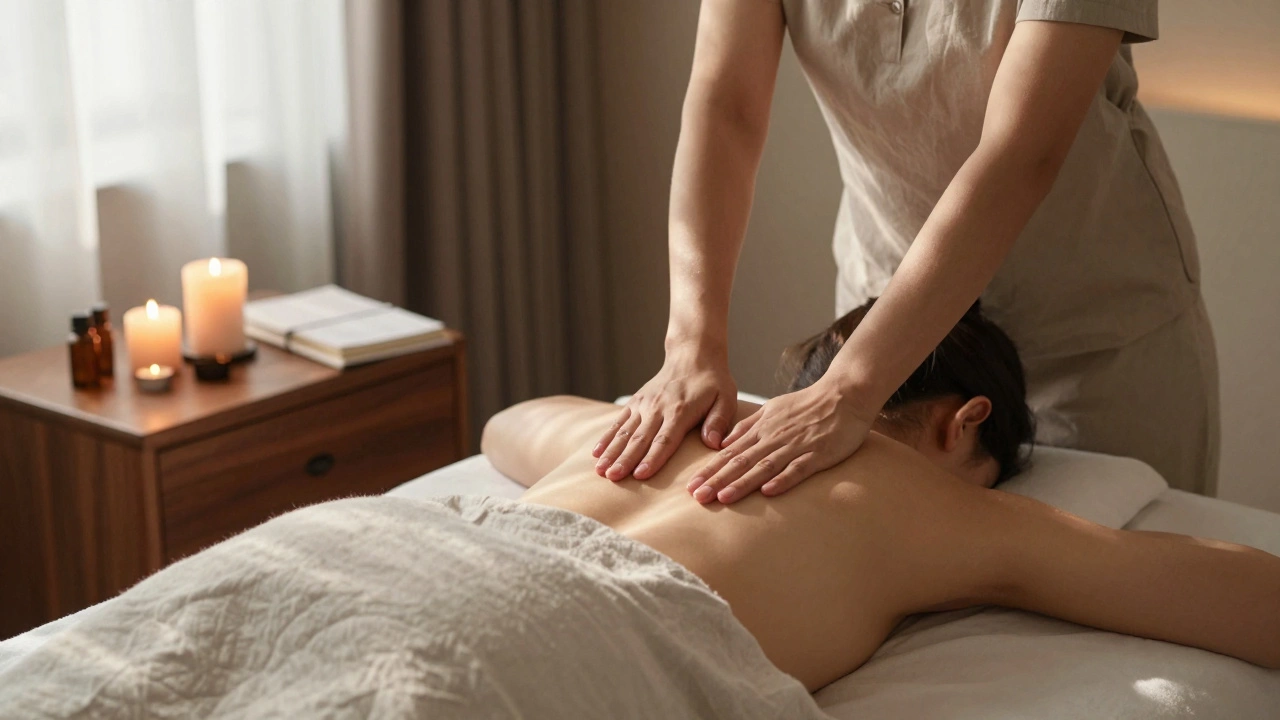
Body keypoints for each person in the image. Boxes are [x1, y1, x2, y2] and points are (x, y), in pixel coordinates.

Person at [592, 0, 1218, 503]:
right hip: (895, 341)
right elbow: (726, 106)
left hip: (1095, 339)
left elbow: (1021, 154)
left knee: (1121, 601)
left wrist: (848, 391)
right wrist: (692, 347)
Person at [496, 301, 1277, 691]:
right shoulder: (920, 497)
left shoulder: (676, 428)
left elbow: (505, 428)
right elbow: (1228, 591)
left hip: (415, 564)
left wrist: (635, 414)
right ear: (965, 425)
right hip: (551, 656)